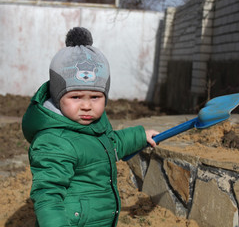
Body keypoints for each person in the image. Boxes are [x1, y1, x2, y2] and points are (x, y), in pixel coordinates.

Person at [22, 27, 159, 227]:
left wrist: (140, 136)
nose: (86, 105)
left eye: (95, 97)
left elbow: (112, 144)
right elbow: (48, 196)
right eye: (75, 97)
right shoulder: (54, 141)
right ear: (57, 97)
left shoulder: (93, 126)